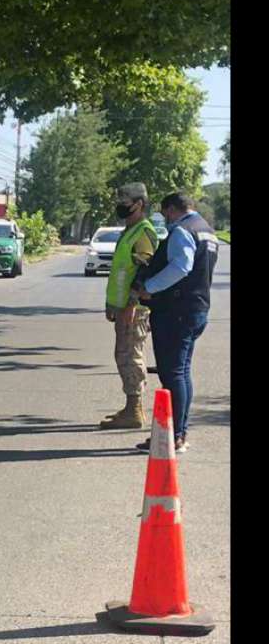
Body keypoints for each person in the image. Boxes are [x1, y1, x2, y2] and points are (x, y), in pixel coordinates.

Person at [133, 191, 220, 453]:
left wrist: (150, 287)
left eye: (165, 214)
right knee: (181, 373)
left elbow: (181, 266)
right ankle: (178, 432)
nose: (166, 220)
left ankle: (173, 437)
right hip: (196, 309)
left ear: (172, 209)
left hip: (176, 312)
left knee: (173, 375)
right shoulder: (207, 230)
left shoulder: (183, 231)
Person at [98, 183, 160, 429]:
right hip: (123, 305)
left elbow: (146, 268)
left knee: (131, 354)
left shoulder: (143, 231)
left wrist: (131, 302)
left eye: (126, 203)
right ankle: (130, 406)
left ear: (140, 204)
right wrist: (113, 303)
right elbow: (122, 271)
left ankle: (134, 410)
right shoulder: (129, 230)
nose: (121, 206)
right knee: (122, 353)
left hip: (133, 307)